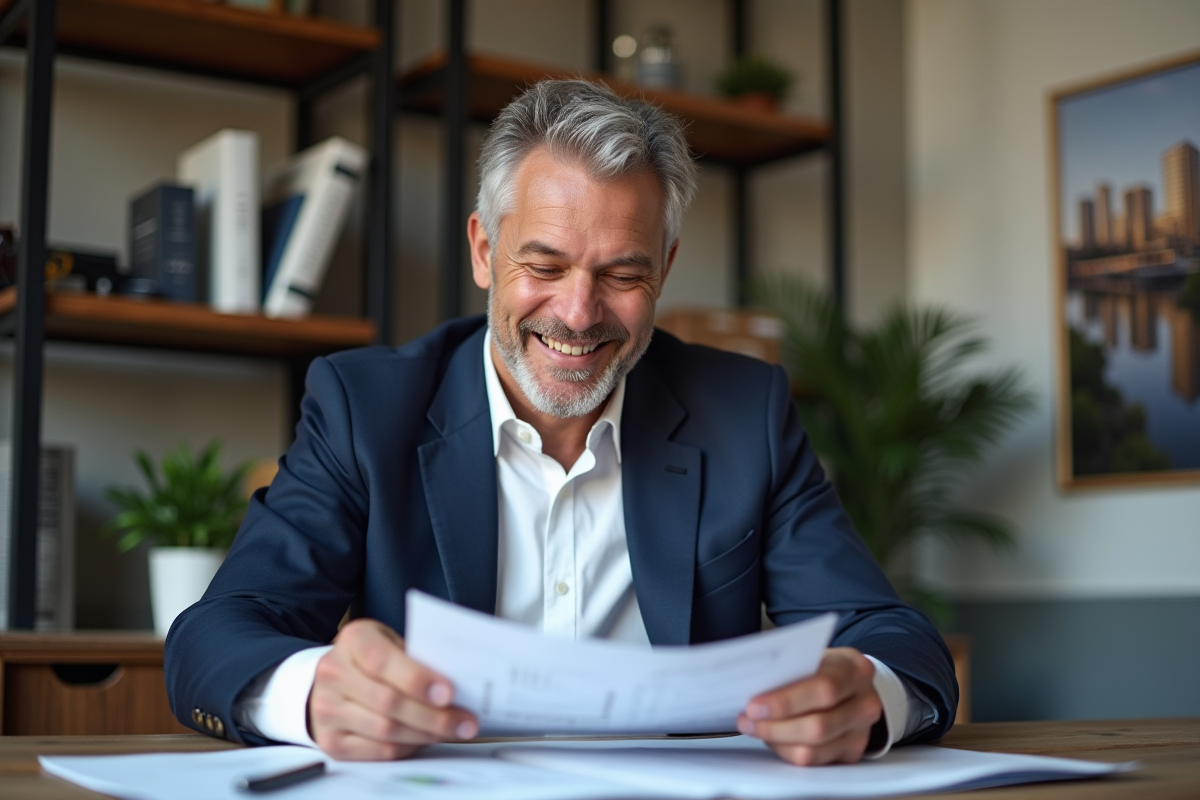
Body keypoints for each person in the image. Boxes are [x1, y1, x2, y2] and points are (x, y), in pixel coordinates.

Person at [165, 79, 956, 766]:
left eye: (622, 274)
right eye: (543, 267)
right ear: (483, 250)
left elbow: (895, 638)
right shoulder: (363, 409)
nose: (578, 314)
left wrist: (865, 693)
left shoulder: (745, 413)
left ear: (665, 270)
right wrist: (314, 694)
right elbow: (217, 635)